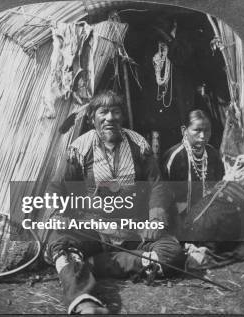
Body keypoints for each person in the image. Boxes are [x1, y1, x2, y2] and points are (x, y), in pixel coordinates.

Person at [43, 91, 185, 314]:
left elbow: (157, 185)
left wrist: (154, 219)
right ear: (92, 118)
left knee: (172, 252)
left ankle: (91, 265)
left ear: (122, 117)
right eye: (103, 112)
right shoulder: (80, 148)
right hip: (94, 230)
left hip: (133, 231)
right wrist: (56, 214)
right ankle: (84, 302)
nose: (110, 117)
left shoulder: (139, 145)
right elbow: (56, 187)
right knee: (60, 242)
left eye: (115, 111)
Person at [162, 109, 224, 237]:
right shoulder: (174, 157)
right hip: (178, 223)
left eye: (207, 130)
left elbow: (218, 188)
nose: (203, 136)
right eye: (197, 130)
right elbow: (163, 195)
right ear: (184, 130)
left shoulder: (212, 154)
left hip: (207, 219)